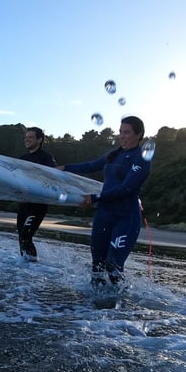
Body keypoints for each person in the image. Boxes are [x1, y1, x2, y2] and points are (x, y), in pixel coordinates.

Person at [59, 115, 151, 287]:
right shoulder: (113, 154)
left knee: (113, 265)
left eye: (127, 132)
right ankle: (95, 308)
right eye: (120, 132)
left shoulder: (141, 158)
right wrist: (65, 168)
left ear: (139, 135)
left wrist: (94, 198)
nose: (122, 136)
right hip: (103, 215)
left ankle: (122, 307)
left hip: (126, 217)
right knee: (97, 267)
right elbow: (90, 166)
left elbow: (126, 188)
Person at [16, 126, 57, 261]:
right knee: (21, 237)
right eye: (26, 137)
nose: (27, 140)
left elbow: (53, 177)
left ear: (39, 139)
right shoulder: (22, 158)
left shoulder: (46, 158)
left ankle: (33, 266)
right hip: (24, 204)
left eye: (30, 137)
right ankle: (25, 266)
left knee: (26, 235)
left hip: (38, 204)